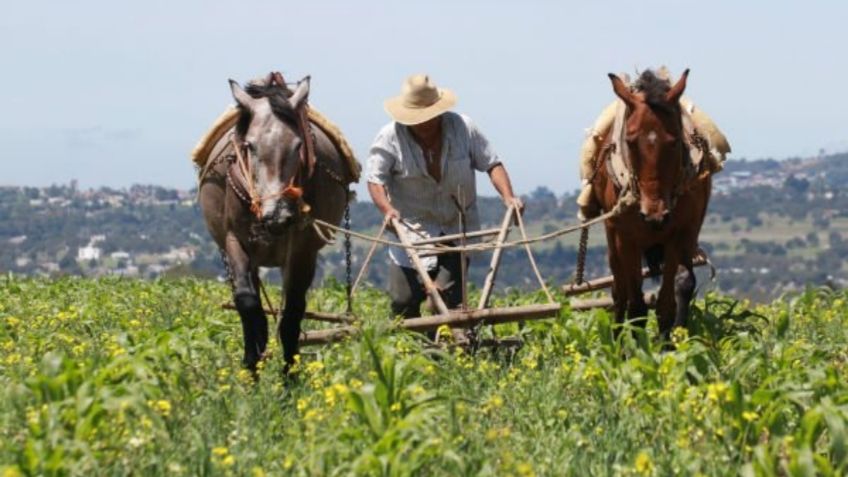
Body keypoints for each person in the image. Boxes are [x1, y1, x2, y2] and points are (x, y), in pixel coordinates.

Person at [367, 74, 523, 324]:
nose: (424, 124)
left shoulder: (463, 128)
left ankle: (448, 350)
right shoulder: (390, 136)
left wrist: (509, 197)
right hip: (410, 230)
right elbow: (375, 180)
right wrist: (386, 209)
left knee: (448, 297)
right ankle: (414, 352)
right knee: (403, 301)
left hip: (456, 227)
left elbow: (492, 163)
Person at [576, 68, 731, 221]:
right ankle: (589, 192)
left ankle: (711, 161)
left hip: (665, 94)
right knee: (594, 138)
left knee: (710, 135)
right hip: (634, 92)